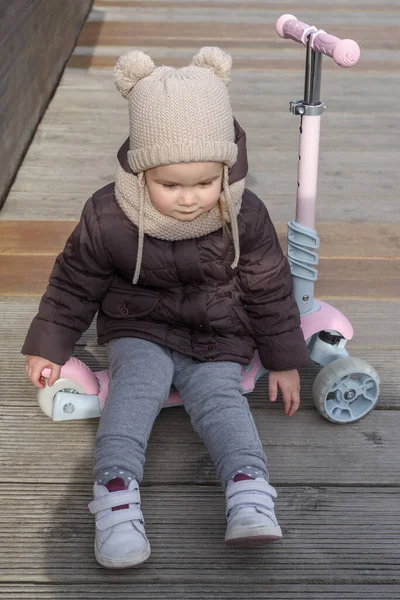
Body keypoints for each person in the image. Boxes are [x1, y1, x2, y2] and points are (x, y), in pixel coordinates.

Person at [23, 47, 308, 569]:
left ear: (226, 167)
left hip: (218, 331)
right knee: (133, 392)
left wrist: (284, 359)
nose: (188, 198)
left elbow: (268, 286)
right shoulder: (108, 214)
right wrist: (50, 344)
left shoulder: (245, 214)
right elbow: (75, 280)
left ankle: (248, 490)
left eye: (204, 182)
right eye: (169, 184)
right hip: (141, 326)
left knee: (221, 398)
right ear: (140, 172)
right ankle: (115, 500)